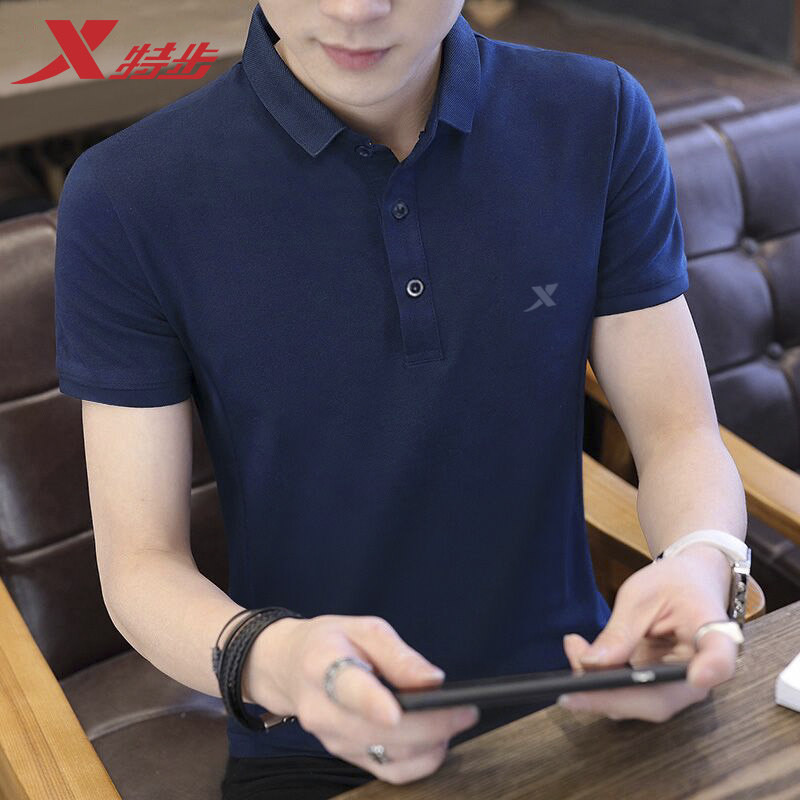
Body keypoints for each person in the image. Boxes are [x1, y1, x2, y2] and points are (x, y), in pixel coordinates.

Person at [53, 1, 748, 798]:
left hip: (589, 696)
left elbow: (678, 433)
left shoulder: (597, 114)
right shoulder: (128, 194)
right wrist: (279, 661)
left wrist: (701, 562)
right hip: (314, 746)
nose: (356, 8)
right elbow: (140, 566)